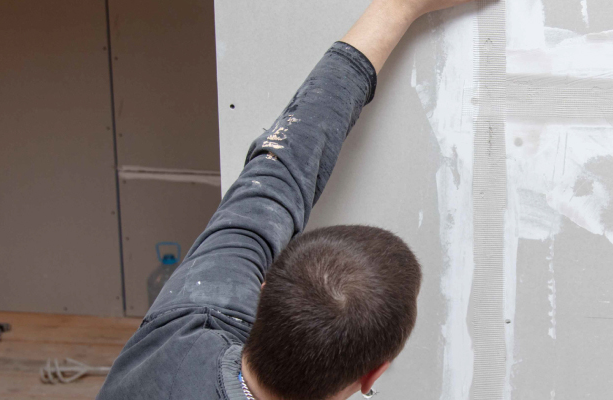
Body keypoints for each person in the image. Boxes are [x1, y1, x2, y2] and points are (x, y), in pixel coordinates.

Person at [97, 0, 473, 398]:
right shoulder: (194, 317)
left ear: (259, 296)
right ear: (372, 377)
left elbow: (282, 169)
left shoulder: (181, 333)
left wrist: (397, 8)